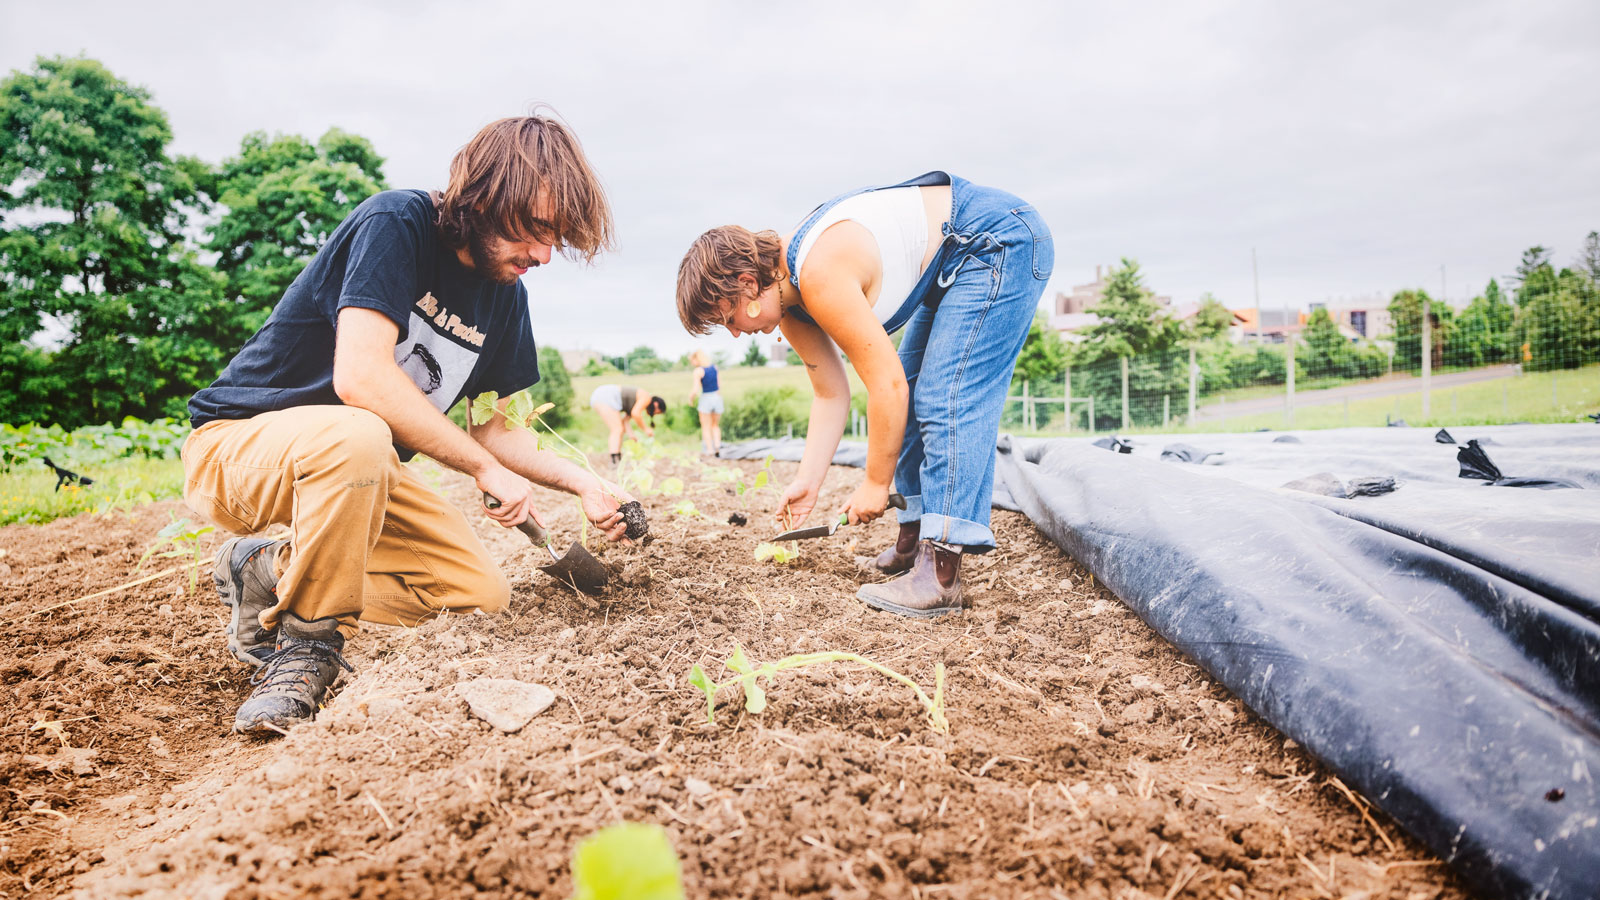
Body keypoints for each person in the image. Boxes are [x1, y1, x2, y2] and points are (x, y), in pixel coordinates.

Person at [184, 114, 634, 734]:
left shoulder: (506, 296)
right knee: (361, 432)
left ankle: (266, 568)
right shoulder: (395, 224)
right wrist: (481, 468)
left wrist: (582, 484)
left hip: (357, 471)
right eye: (534, 230)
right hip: (240, 447)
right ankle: (307, 644)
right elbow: (361, 380)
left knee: (477, 592)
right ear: (483, 197)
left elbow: (497, 432)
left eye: (556, 236)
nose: (544, 254)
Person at [676, 171, 1052, 618]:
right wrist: (808, 482)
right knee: (915, 392)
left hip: (996, 240)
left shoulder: (817, 273)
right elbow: (830, 395)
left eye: (729, 319)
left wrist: (875, 483)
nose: (737, 334)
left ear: (747, 284)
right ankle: (913, 543)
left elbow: (885, 385)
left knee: (945, 398)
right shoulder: (792, 307)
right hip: (951, 262)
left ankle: (942, 573)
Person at [588, 385, 666, 466]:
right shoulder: (646, 398)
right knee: (617, 429)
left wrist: (632, 435)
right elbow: (636, 414)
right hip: (605, 396)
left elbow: (625, 421)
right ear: (656, 405)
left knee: (619, 429)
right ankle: (614, 460)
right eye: (657, 412)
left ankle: (617, 458)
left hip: (602, 396)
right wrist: (646, 429)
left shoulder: (636, 403)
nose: (653, 414)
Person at [688, 349, 723, 456]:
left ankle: (710, 450)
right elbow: (718, 385)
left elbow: (695, 390)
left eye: (692, 361)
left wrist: (691, 399)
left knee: (705, 427)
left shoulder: (698, 371)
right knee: (715, 425)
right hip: (717, 398)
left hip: (706, 398)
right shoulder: (714, 368)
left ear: (696, 359)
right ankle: (717, 446)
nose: (692, 363)